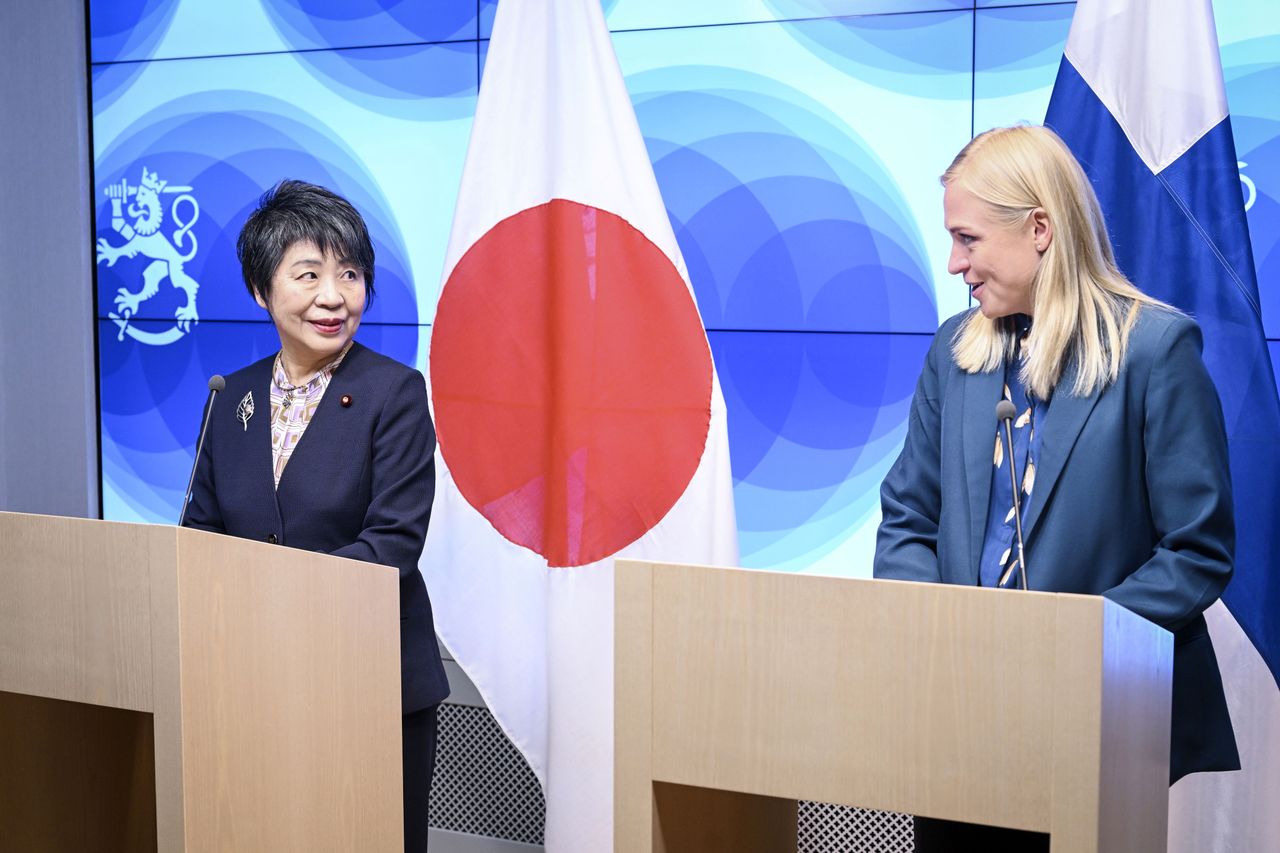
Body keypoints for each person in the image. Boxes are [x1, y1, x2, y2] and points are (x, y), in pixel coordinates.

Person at [874, 125, 1239, 851]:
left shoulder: (1155, 350)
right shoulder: (956, 352)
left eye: (968, 239)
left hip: (1095, 719)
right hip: (959, 712)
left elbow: (1197, 550)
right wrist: (941, 635)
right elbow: (908, 517)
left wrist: (1068, 647)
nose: (955, 263)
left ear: (1039, 228)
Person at [182, 179, 449, 852]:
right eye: (309, 274)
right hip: (252, 678)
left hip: (369, 676)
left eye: (351, 275)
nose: (334, 296)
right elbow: (201, 536)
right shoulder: (231, 396)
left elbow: (392, 544)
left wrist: (272, 597)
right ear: (261, 290)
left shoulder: (394, 393)